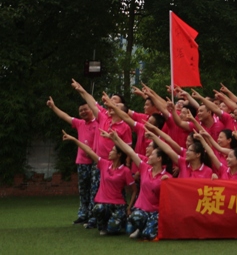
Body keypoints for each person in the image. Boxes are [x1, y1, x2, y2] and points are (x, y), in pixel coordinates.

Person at [62, 130, 134, 236]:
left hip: (118, 205)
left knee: (113, 230)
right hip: (103, 204)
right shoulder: (104, 164)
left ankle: (118, 222)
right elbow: (90, 151)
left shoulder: (125, 171)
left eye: (112, 150)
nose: (109, 152)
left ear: (119, 155)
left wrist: (129, 207)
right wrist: (74, 139)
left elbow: (134, 190)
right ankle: (103, 225)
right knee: (97, 209)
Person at [106, 131, 171, 240]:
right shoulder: (145, 168)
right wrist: (116, 138)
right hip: (142, 210)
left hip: (156, 211)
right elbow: (130, 152)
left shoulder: (167, 176)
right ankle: (142, 227)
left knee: (148, 235)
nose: (149, 156)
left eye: (152, 155)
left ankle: (146, 228)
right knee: (134, 220)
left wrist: (168, 182)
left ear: (159, 159)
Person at [47, 96, 97, 225]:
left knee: (94, 189)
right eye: (80, 111)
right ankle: (83, 214)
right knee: (83, 189)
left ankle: (93, 215)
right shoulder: (80, 123)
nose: (83, 112)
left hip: (96, 161)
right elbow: (65, 116)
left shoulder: (99, 122)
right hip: (82, 162)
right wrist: (53, 107)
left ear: (91, 109)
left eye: (85, 109)